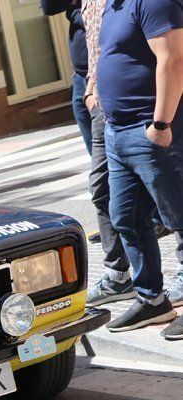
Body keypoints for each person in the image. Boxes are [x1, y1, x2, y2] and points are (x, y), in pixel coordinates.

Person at [96, 0, 183, 335]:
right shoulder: (112, 6)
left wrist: (161, 124)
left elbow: (173, 60)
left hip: (153, 130)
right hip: (118, 132)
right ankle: (152, 301)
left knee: (178, 216)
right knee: (127, 218)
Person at [79, 0, 136, 308]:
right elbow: (96, 48)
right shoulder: (90, 3)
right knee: (102, 191)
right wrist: (89, 89)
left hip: (139, 106)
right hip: (101, 106)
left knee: (162, 191)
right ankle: (118, 276)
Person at [40, 1, 91, 155]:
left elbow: (92, 19)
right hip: (81, 75)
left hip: (99, 72)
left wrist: (74, 10)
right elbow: (49, 7)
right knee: (97, 148)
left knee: (105, 147)